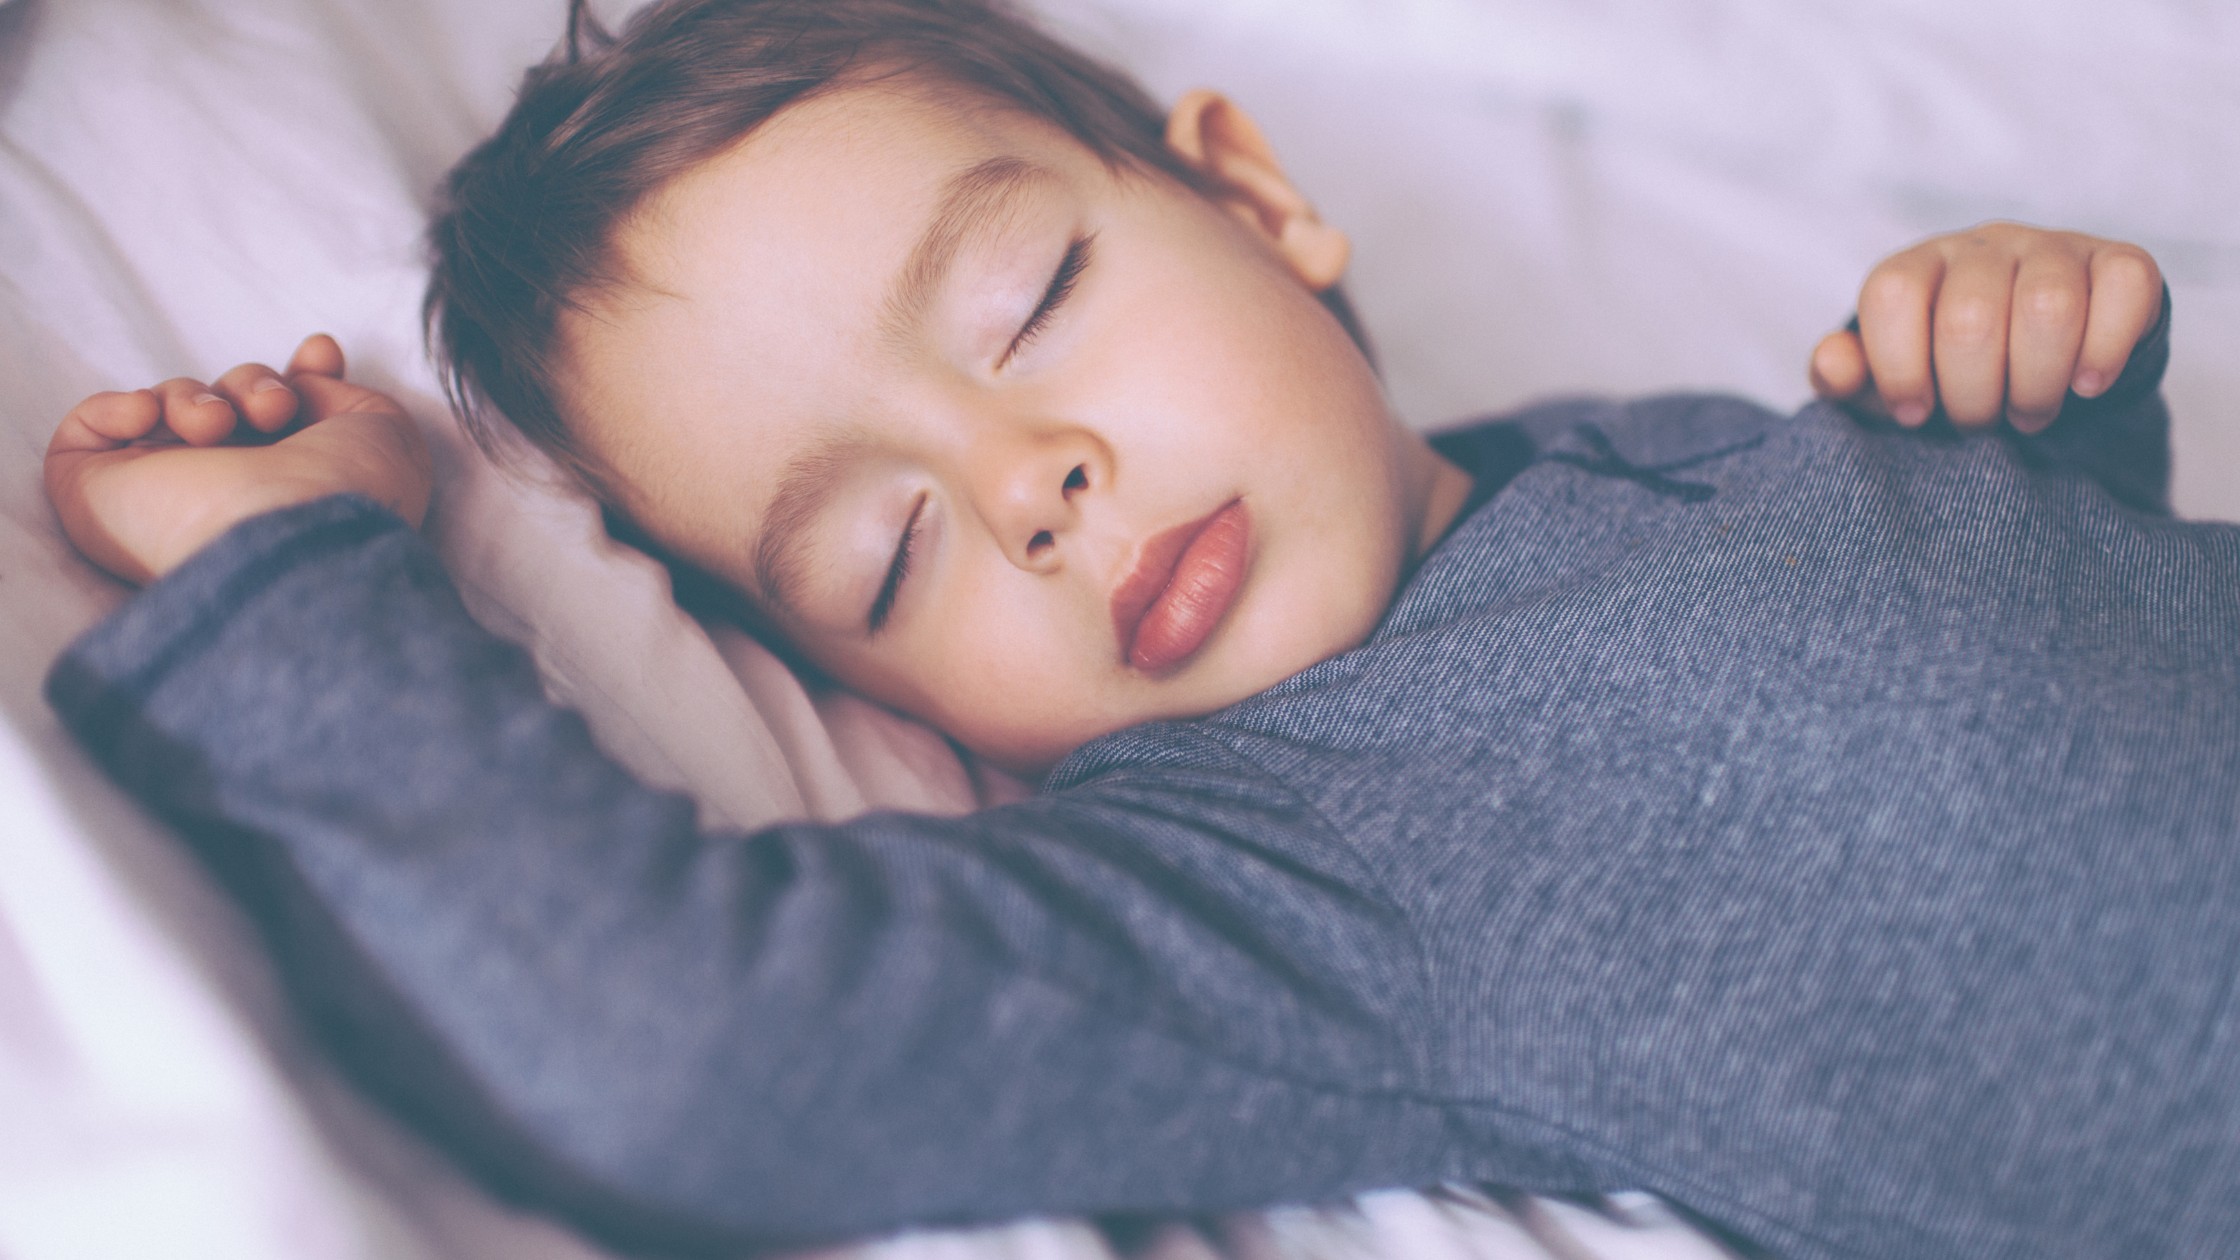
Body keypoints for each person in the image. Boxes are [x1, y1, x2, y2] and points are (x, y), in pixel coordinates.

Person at [37, 0, 2238, 1256]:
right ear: (868, 692)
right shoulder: (1283, 867)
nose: (1026, 487)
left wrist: (2034, 408)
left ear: (1257, 199)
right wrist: (286, 583)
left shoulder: (1638, 450)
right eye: (883, 562)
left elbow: (2009, 721)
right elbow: (688, 1047)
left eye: (1027, 303)